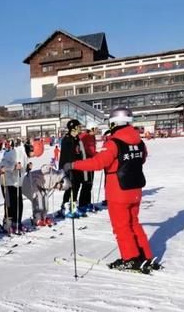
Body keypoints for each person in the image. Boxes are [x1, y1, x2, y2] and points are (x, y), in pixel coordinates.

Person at [63, 107, 157, 273]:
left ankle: (130, 258)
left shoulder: (114, 142)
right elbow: (141, 159)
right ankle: (145, 255)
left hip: (119, 190)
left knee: (121, 227)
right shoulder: (139, 142)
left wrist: (73, 164)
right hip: (135, 189)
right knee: (134, 223)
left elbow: (98, 163)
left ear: (114, 123)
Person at [0, 139, 28, 233]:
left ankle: (17, 222)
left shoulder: (22, 154)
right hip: (6, 182)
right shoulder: (10, 153)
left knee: (18, 203)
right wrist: (14, 167)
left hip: (16, 183)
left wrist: (27, 167)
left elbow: (21, 168)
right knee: (9, 204)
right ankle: (7, 223)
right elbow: (2, 166)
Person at [58, 119, 85, 218]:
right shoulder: (67, 139)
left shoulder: (76, 138)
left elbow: (79, 153)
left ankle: (74, 207)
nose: (80, 128)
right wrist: (68, 168)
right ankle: (64, 207)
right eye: (78, 127)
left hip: (77, 166)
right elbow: (67, 156)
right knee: (69, 188)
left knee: (77, 186)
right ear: (73, 128)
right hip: (68, 167)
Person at [78, 127, 97, 212]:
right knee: (86, 183)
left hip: (92, 161)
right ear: (91, 129)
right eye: (95, 129)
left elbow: (93, 150)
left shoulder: (93, 137)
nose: (97, 131)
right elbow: (82, 150)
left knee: (90, 183)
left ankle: (88, 202)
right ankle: (82, 203)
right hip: (86, 162)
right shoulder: (84, 137)